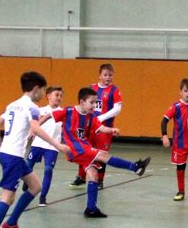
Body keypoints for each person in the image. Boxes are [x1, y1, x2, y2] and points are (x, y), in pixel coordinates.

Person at [0, 72, 69, 228]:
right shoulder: (32, 107)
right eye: (43, 90)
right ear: (36, 89)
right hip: (13, 157)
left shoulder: (12, 104)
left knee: (35, 186)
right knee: (7, 197)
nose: (43, 94)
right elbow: (36, 128)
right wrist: (57, 145)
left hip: (10, 154)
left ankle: (11, 223)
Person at [51, 87, 150, 218]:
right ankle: (135, 167)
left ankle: (91, 209)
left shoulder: (91, 116)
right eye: (92, 102)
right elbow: (49, 115)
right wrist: (35, 127)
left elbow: (101, 127)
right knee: (103, 155)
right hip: (75, 149)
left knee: (93, 175)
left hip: (84, 147)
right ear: (82, 102)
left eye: (95, 102)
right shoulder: (69, 111)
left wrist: (112, 130)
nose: (94, 106)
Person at [70, 63, 123, 189]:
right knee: (85, 150)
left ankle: (99, 180)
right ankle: (81, 177)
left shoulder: (114, 90)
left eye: (110, 75)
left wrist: (100, 118)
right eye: (105, 75)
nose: (108, 77)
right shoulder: (92, 88)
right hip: (89, 126)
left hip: (105, 127)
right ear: (99, 75)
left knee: (101, 153)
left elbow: (117, 109)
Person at [24, 86, 63, 206]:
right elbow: (34, 124)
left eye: (61, 96)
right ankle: (27, 181)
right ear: (49, 96)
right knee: (28, 166)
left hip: (52, 147)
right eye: (57, 95)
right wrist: (31, 131)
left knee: (48, 170)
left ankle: (43, 197)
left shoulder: (63, 112)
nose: (59, 97)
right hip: (38, 144)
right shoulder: (40, 110)